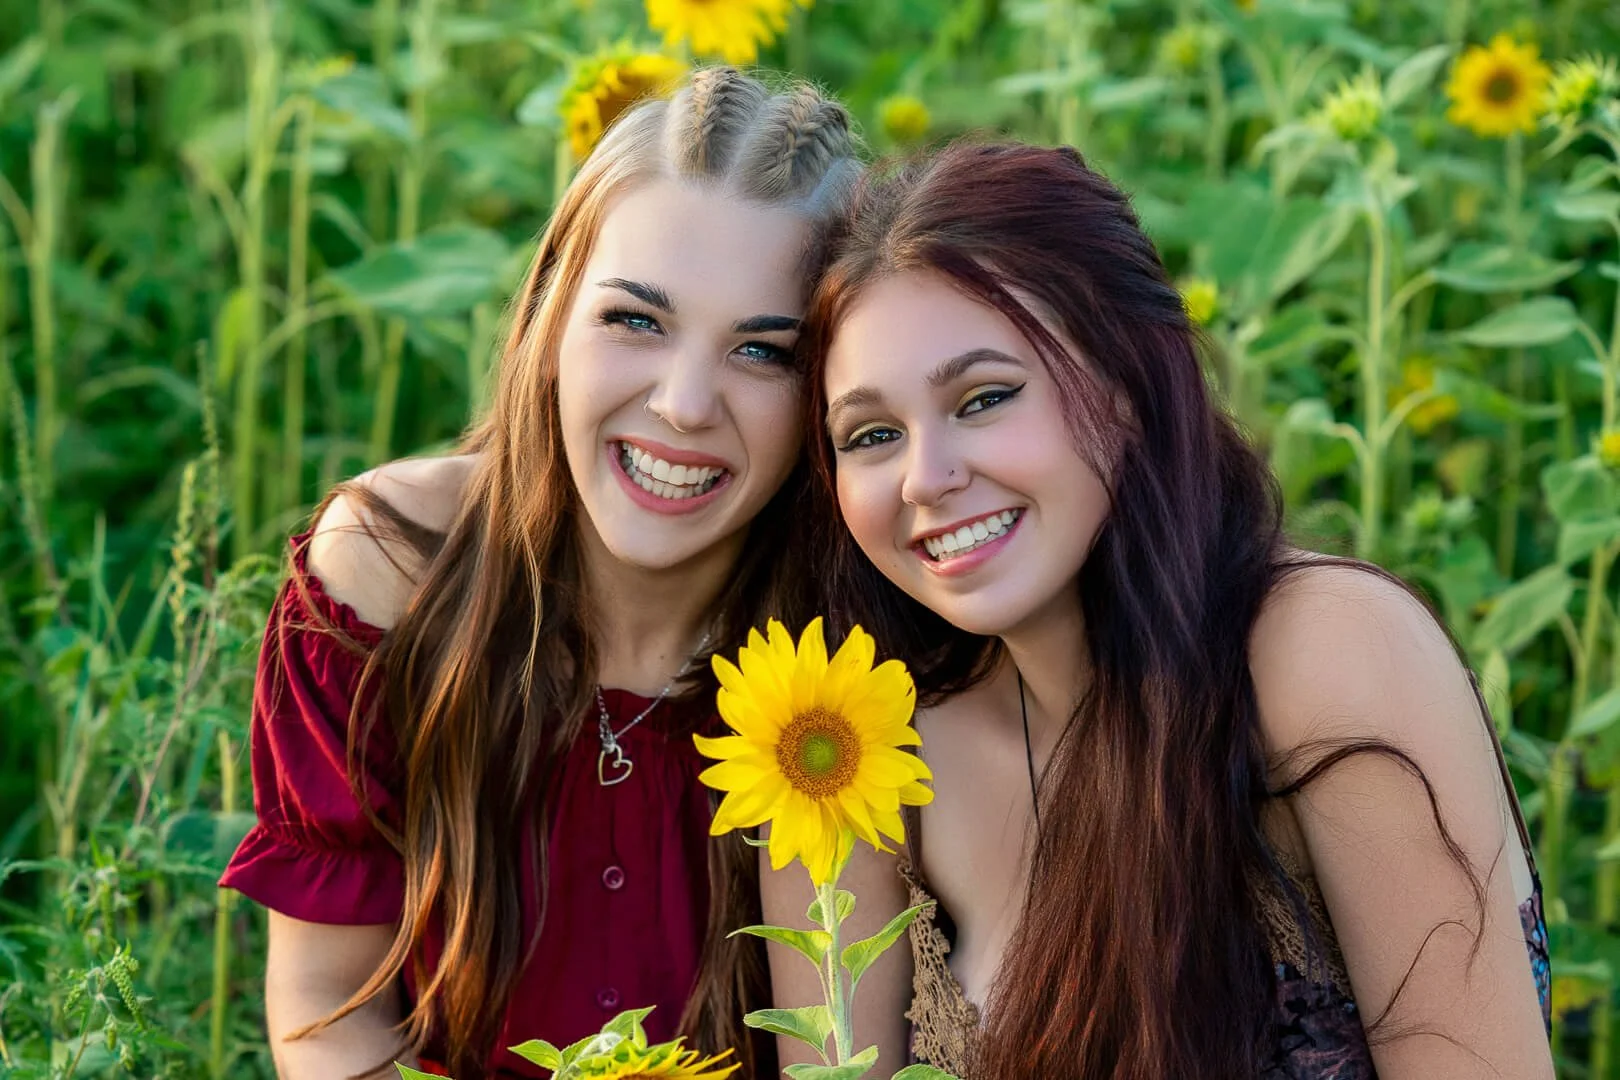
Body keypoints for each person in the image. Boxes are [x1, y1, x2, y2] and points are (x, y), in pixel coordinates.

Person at [774, 140, 1554, 1078]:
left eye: (984, 398)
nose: (926, 477)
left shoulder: (1324, 653)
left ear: (1130, 382)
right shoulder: (882, 754)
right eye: (872, 434)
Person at [219, 67, 861, 1079]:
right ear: (552, 316)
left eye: (763, 351)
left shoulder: (851, 660)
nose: (686, 404)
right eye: (636, 322)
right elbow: (327, 1013)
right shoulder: (389, 575)